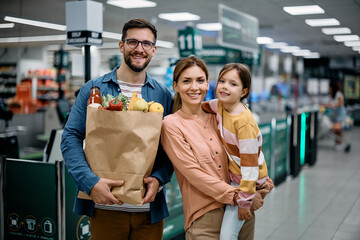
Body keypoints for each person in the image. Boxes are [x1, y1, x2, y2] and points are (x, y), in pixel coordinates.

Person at [61, 18, 173, 240]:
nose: (139, 49)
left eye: (146, 44)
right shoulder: (94, 89)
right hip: (104, 208)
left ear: (154, 50)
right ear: (121, 46)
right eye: (132, 42)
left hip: (148, 211)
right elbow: (70, 138)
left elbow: (172, 147)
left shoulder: (163, 95)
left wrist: (160, 178)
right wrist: (90, 182)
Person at [160, 56, 272, 240]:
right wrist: (240, 196)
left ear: (207, 85)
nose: (194, 87)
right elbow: (194, 174)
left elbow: (247, 153)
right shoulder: (172, 125)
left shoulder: (220, 115)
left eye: (200, 80)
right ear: (175, 86)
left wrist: (262, 184)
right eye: (186, 81)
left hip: (240, 214)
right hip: (205, 216)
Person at [202, 63, 272, 240]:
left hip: (246, 181)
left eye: (233, 84)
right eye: (222, 81)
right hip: (238, 177)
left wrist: (244, 202)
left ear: (243, 92)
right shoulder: (219, 105)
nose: (225, 86)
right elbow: (200, 106)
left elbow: (250, 166)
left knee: (227, 236)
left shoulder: (244, 122)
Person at [326, 81, 347, 151]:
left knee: (338, 129)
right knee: (335, 130)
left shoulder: (338, 94)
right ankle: (337, 143)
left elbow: (341, 103)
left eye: (330, 87)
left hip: (340, 114)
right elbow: (330, 104)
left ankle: (340, 144)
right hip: (334, 115)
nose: (329, 89)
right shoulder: (331, 95)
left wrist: (332, 105)